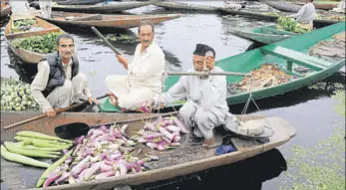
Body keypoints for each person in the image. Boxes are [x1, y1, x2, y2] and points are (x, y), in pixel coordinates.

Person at [152, 44, 229, 148]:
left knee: (201, 116)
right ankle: (191, 135)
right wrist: (158, 101)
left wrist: (204, 78)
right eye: (194, 62)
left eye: (200, 63)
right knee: (184, 111)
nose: (196, 66)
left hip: (215, 110)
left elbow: (207, 104)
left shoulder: (219, 75)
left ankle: (210, 140)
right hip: (196, 106)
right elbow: (173, 93)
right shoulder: (190, 73)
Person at [105, 21, 165, 111]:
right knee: (109, 80)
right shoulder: (138, 47)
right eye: (143, 35)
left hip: (148, 89)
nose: (146, 38)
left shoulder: (156, 54)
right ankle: (128, 97)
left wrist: (125, 62)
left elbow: (141, 75)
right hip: (133, 84)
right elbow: (133, 68)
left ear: (153, 35)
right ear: (138, 35)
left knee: (126, 103)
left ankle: (118, 101)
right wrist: (125, 63)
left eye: (148, 35)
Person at [31, 34, 95, 117]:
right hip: (52, 100)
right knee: (66, 84)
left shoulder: (74, 60)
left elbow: (83, 83)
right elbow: (35, 89)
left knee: (81, 77)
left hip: (67, 96)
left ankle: (74, 103)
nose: (68, 50)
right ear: (57, 48)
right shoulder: (46, 65)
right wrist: (47, 108)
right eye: (63, 46)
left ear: (73, 47)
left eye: (70, 46)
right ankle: (61, 109)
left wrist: (89, 95)